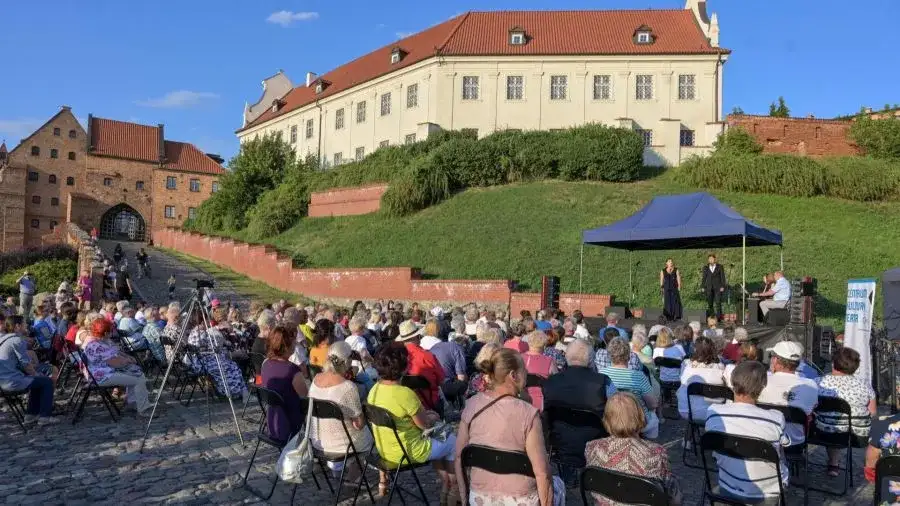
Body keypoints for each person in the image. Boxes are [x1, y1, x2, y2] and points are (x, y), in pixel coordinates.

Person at [455, 347, 557, 506]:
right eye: (525, 371)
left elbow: (459, 457)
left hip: (479, 497)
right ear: (513, 375)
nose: (527, 375)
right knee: (558, 485)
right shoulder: (528, 413)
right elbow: (542, 472)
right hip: (520, 498)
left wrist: (465, 497)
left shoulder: (471, 405)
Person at [367, 344, 457, 500]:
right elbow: (424, 425)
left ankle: (445, 485)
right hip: (409, 452)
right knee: (454, 441)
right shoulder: (405, 394)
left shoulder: (374, 389)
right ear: (403, 368)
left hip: (385, 449)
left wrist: (426, 417)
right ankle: (453, 489)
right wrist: (432, 417)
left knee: (440, 436)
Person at [705, 361, 790, 500]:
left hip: (728, 486)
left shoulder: (714, 412)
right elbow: (786, 445)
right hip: (767, 492)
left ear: (732, 382)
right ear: (763, 387)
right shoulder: (775, 418)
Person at [585, 393, 682, 506]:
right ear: (640, 415)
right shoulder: (656, 453)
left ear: (607, 418)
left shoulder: (592, 448)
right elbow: (672, 498)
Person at [543, 338, 616, 484]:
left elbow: (545, 414)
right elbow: (617, 413)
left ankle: (569, 477)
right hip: (596, 443)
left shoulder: (551, 382)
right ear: (590, 360)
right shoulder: (603, 382)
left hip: (560, 443)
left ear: (566, 358)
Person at [308, 341, 373, 471]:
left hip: (318, 440)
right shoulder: (347, 387)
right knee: (369, 433)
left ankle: (341, 472)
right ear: (347, 362)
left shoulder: (316, 379)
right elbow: (359, 425)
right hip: (343, 445)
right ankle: (352, 478)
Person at [815, 346, 876, 476]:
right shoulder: (865, 385)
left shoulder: (819, 383)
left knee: (831, 421)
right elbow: (873, 412)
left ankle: (833, 463)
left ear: (833, 363)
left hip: (825, 432)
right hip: (858, 436)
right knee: (839, 423)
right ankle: (835, 464)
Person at [82, 318, 153, 415]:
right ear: (106, 332)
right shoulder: (96, 345)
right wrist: (128, 361)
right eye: (110, 331)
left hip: (109, 372)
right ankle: (144, 410)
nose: (112, 333)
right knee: (138, 380)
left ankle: (133, 403)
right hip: (102, 376)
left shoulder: (104, 341)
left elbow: (117, 352)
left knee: (138, 374)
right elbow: (114, 363)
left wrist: (127, 357)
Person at [0, 315, 58, 425]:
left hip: (3, 381)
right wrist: (37, 374)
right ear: (17, 326)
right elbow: (26, 365)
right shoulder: (16, 340)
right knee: (47, 382)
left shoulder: (3, 339)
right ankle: (45, 417)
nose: (26, 325)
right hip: (12, 381)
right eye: (24, 323)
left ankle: (31, 415)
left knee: (37, 380)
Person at [758, 341, 818, 446]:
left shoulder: (760, 381)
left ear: (775, 360)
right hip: (796, 442)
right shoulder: (811, 385)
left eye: (771, 356)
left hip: (765, 441)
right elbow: (811, 412)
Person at [600, 337, 659, 439]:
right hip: (636, 422)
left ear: (609, 355)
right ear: (628, 356)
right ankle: (650, 447)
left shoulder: (601, 374)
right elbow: (652, 404)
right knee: (653, 415)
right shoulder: (639, 376)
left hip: (611, 420)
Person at [185, 312, 248, 401]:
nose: (209, 322)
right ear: (203, 322)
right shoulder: (201, 333)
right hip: (202, 363)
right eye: (207, 320)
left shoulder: (194, 332)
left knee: (231, 365)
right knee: (231, 366)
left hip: (196, 361)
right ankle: (233, 392)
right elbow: (208, 350)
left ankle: (234, 391)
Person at [261, 325, 309, 443]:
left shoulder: (265, 364)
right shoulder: (292, 370)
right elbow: (305, 397)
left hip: (273, 420)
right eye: (293, 342)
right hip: (290, 422)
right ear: (287, 346)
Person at [395, 320, 444, 411]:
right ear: (418, 336)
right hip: (430, 403)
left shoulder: (396, 358)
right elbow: (441, 380)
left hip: (405, 403)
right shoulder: (428, 356)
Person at [676, 336, 726, 422]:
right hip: (714, 414)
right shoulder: (719, 368)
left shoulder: (686, 366)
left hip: (687, 411)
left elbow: (682, 381)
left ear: (695, 349)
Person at [521, 330, 557, 410]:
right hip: (540, 403)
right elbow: (556, 382)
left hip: (521, 400)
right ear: (544, 345)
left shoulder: (519, 358)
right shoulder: (549, 361)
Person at [701, 254, 727, 319]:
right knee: (710, 303)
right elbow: (704, 278)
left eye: (712, 259)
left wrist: (723, 286)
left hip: (718, 287)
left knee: (718, 302)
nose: (711, 260)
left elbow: (722, 277)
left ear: (715, 259)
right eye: (709, 259)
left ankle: (719, 317)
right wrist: (702, 286)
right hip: (709, 287)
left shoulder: (720, 267)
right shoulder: (706, 267)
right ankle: (712, 316)